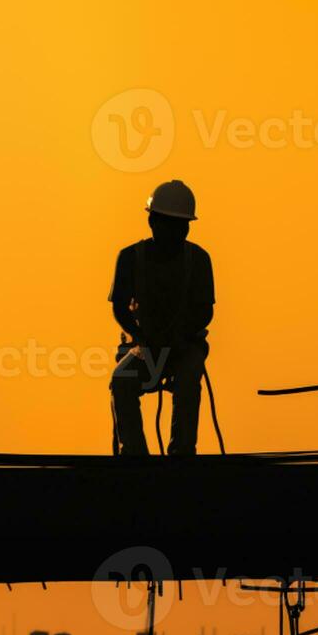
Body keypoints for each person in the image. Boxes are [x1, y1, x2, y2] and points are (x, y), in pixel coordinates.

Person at [108, 180, 215, 457]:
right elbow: (120, 307)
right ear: (153, 222)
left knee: (189, 379)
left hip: (184, 346)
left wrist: (180, 337)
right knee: (122, 379)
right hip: (146, 346)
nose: (177, 232)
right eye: (170, 224)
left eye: (182, 226)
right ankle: (134, 454)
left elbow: (205, 311)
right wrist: (142, 338)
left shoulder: (199, 259)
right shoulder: (131, 258)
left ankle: (181, 453)